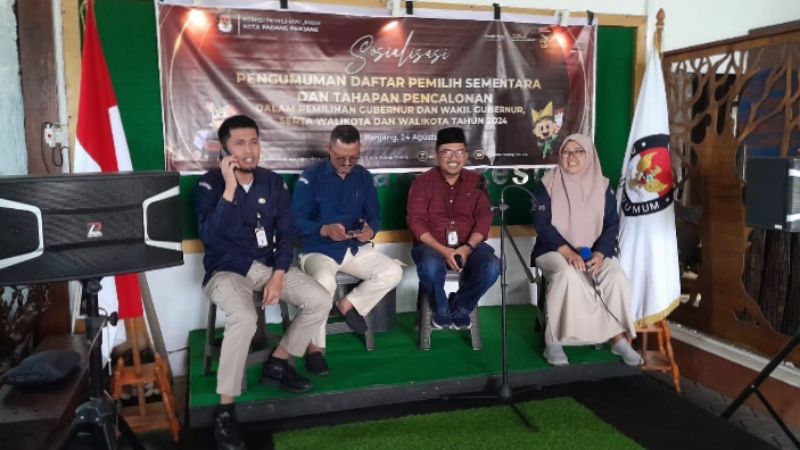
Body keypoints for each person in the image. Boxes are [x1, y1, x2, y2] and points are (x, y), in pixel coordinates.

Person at [196, 115, 331, 450]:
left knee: (319, 299)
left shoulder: (273, 182)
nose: (249, 150)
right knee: (244, 318)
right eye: (240, 143)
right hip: (226, 270)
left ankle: (278, 362)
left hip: (270, 267)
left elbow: (286, 234)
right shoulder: (209, 185)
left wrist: (279, 275)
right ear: (224, 150)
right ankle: (226, 409)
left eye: (254, 142)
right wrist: (229, 188)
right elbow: (211, 237)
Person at [292, 125, 403, 375]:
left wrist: (370, 231)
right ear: (329, 149)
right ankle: (315, 349)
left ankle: (348, 304)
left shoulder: (363, 176)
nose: (346, 163)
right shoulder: (310, 178)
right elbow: (295, 222)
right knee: (323, 283)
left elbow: (374, 216)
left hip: (353, 248)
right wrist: (324, 229)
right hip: (319, 250)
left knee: (393, 271)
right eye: (341, 158)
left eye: (353, 158)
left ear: (360, 150)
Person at [530, 133, 642, 367]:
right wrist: (568, 253)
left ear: (589, 155)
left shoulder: (603, 186)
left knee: (615, 276)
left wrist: (600, 254)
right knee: (567, 274)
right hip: (553, 251)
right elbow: (541, 224)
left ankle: (618, 339)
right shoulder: (547, 184)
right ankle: (554, 341)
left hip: (593, 252)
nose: (571, 157)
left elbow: (611, 225)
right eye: (566, 152)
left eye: (578, 152)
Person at [406, 127, 501, 329]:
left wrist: (467, 247)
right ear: (436, 154)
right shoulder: (422, 183)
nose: (453, 158)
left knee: (493, 266)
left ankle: (460, 307)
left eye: (459, 152)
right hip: (432, 246)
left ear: (466, 155)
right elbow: (416, 222)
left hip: (470, 245)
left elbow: (484, 218)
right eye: (447, 152)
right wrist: (444, 250)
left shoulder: (477, 182)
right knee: (430, 266)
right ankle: (440, 309)